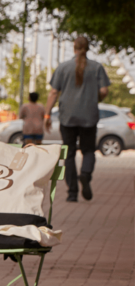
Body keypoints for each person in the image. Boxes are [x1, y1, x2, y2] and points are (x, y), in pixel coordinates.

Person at [45, 37, 109, 202]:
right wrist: (95, 97)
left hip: (68, 117)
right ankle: (85, 175)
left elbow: (53, 93)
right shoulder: (97, 67)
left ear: (74, 48)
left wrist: (47, 114)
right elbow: (104, 91)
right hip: (89, 115)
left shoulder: (63, 67)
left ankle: (72, 193)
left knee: (69, 154)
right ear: (87, 49)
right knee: (88, 150)